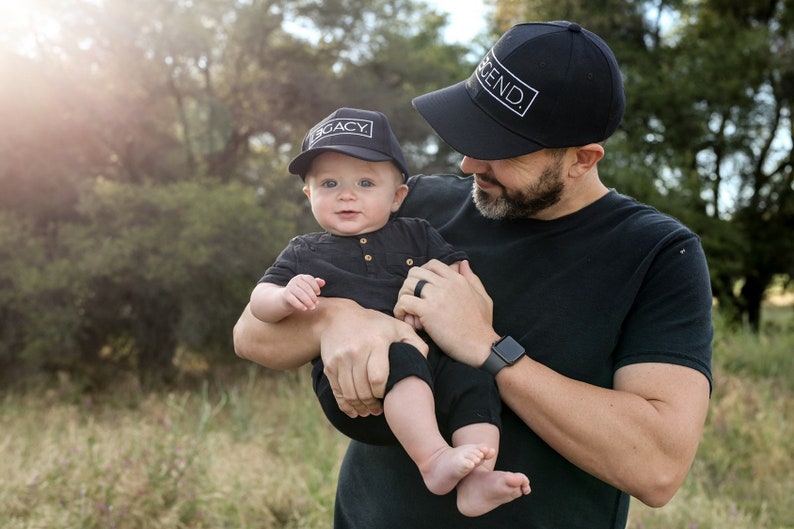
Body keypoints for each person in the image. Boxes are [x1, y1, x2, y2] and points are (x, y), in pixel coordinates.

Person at [234, 21, 713, 529]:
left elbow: (658, 467)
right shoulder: (414, 206)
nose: (467, 164)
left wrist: (487, 346)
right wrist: (335, 320)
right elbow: (251, 337)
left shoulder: (658, 254)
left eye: (500, 147)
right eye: (472, 131)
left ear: (581, 159)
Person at [247, 107, 530, 516]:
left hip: (436, 370)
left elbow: (457, 281)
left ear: (397, 196)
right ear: (309, 195)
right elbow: (259, 302)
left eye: (365, 182)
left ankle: (477, 479)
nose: (347, 194)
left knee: (476, 377)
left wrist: (432, 304)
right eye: (329, 183)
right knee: (399, 355)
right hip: (356, 389)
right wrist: (287, 295)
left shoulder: (417, 233)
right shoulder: (304, 251)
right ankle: (433, 460)